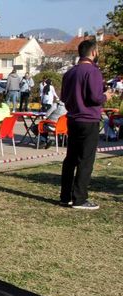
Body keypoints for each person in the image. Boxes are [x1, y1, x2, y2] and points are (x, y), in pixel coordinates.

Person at [60, 39, 113, 210]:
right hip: (88, 119)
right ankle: (80, 198)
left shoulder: (69, 73)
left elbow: (63, 97)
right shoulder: (93, 72)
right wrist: (106, 96)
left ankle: (65, 195)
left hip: (73, 119)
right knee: (85, 160)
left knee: (70, 159)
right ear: (94, 52)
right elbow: (95, 98)